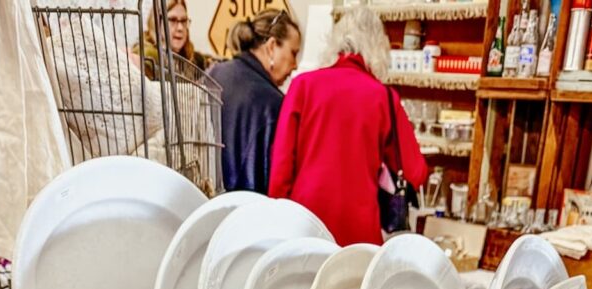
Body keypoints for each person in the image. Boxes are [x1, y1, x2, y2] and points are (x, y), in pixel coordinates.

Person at [268, 8, 427, 246]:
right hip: (359, 231)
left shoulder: (303, 86)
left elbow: (280, 174)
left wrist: (279, 221)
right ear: (378, 47)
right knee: (353, 282)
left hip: (305, 223)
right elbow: (416, 172)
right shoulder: (383, 97)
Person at [207, 11, 301, 194]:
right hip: (245, 211)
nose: (295, 64)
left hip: (202, 202)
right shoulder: (274, 104)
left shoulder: (214, 73)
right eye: (293, 53)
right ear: (272, 46)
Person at [135, 0, 206, 78]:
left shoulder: (195, 60)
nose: (180, 28)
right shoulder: (145, 58)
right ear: (157, 22)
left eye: (183, 21)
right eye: (172, 20)